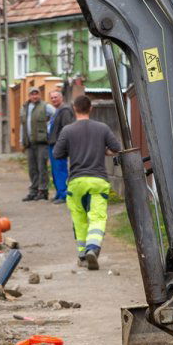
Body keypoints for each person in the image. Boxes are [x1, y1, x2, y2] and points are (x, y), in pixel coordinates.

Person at [54, 95, 121, 270]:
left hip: (76, 182)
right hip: (98, 180)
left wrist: (73, 149)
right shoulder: (102, 128)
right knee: (97, 217)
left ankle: (83, 255)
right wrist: (104, 151)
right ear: (90, 109)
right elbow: (117, 148)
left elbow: (57, 154)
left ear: (74, 108)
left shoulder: (67, 130)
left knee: (79, 220)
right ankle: (93, 248)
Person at [20, 87, 51, 201]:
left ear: (40, 95)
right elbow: (22, 125)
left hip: (41, 142)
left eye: (36, 94)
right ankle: (33, 191)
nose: (34, 96)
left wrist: (48, 129)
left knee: (42, 167)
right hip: (29, 143)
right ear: (29, 96)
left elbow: (55, 116)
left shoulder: (45, 106)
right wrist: (21, 141)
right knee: (32, 168)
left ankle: (43, 191)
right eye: (32, 94)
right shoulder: (24, 107)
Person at [46, 89, 75, 203]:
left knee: (61, 169)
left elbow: (66, 128)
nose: (53, 99)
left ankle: (64, 194)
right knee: (54, 170)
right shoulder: (57, 111)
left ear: (61, 98)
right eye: (52, 98)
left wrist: (62, 144)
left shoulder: (65, 110)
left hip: (59, 145)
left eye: (56, 97)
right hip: (53, 144)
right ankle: (59, 192)